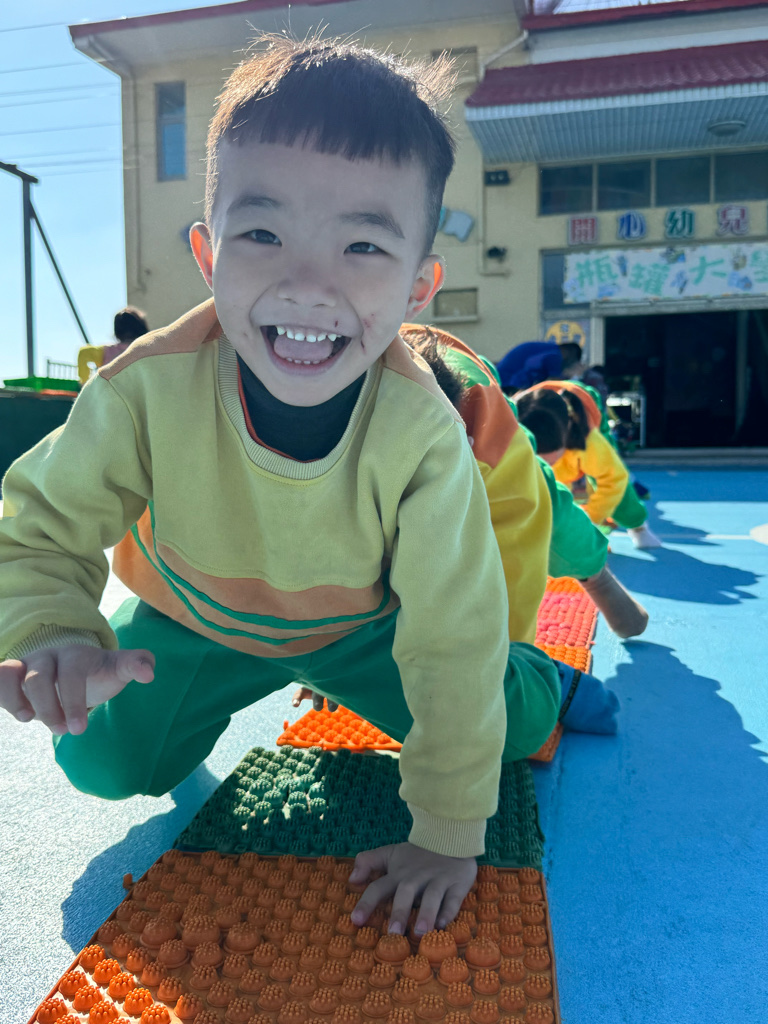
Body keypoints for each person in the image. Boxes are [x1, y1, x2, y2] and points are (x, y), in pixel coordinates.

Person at [0, 35, 561, 936]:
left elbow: (449, 637)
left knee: (507, 732)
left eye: (363, 245)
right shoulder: (145, 390)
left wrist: (448, 833)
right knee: (101, 766)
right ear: (208, 253)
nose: (308, 284)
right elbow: (38, 523)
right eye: (263, 234)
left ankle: (539, 677)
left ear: (419, 287)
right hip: (195, 625)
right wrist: (55, 630)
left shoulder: (423, 434)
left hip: (364, 634)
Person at [403, 325, 648, 642]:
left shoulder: (509, 447)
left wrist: (510, 654)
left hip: (469, 400)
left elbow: (520, 567)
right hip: (448, 384)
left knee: (538, 503)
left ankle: (601, 575)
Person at [516, 387, 662, 549]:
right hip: (541, 412)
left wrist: (592, 517)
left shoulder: (590, 440)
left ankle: (639, 528)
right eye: (539, 457)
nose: (548, 463)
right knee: (548, 488)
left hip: (584, 413)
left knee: (616, 487)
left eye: (553, 455)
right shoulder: (513, 434)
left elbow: (614, 480)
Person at [77, 307, 149, 385]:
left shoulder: (106, 351)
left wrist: (84, 382)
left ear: (117, 331)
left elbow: (84, 352)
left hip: (110, 390)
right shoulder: (147, 351)